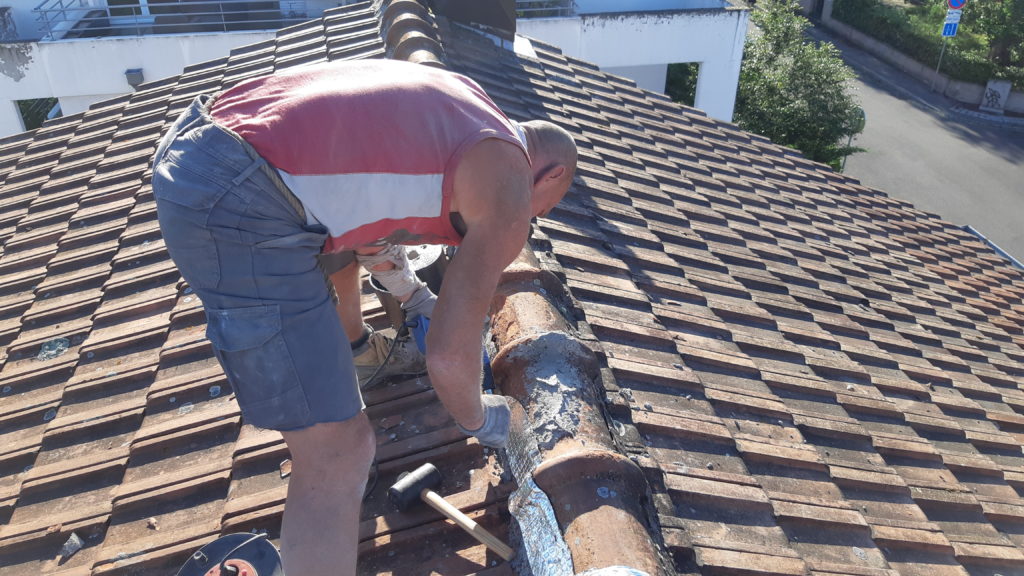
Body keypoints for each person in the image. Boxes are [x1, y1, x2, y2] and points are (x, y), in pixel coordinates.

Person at [151, 58, 577, 575]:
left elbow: (366, 215)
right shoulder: (509, 183)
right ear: (552, 174)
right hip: (239, 196)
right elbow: (447, 358)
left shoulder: (466, 102)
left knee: (332, 434)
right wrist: (481, 419)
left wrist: (418, 298)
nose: (531, 218)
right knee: (338, 453)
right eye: (542, 209)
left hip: (201, 140)